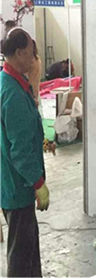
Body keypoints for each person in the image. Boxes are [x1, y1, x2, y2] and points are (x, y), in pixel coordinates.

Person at [1, 28, 50, 277]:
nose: (34, 57)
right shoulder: (13, 94)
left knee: (28, 250)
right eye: (31, 51)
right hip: (18, 186)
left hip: (12, 183)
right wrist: (38, 183)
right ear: (19, 53)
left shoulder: (12, 82)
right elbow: (20, 151)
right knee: (21, 258)